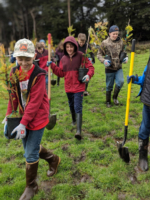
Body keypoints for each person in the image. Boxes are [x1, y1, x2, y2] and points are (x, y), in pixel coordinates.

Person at [4, 38, 60, 200]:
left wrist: (23, 123)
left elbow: (35, 102)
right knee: (30, 148)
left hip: (37, 118)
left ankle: (31, 187)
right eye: (20, 58)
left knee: (29, 154)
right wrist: (9, 116)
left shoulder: (39, 74)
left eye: (27, 59)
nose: (24, 62)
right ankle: (53, 159)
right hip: (22, 118)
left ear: (33, 56)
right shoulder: (14, 73)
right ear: (16, 57)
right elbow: (13, 97)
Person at [47, 36, 94, 140]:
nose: (69, 49)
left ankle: (78, 131)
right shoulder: (63, 59)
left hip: (79, 86)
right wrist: (52, 66)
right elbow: (60, 73)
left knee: (78, 106)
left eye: (71, 46)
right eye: (67, 47)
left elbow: (90, 67)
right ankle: (73, 120)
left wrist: (88, 75)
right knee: (71, 105)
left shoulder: (82, 56)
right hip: (68, 87)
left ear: (75, 46)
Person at [127, 58, 150, 171]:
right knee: (144, 129)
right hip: (148, 101)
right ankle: (143, 157)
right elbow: (145, 79)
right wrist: (136, 79)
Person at [97, 25, 128, 107]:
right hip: (109, 68)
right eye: (113, 34)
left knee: (120, 82)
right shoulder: (105, 43)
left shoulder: (121, 42)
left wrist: (126, 57)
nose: (115, 35)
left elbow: (124, 51)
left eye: (117, 34)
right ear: (109, 33)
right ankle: (108, 101)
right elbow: (99, 54)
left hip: (118, 68)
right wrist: (104, 61)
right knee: (109, 86)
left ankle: (115, 97)